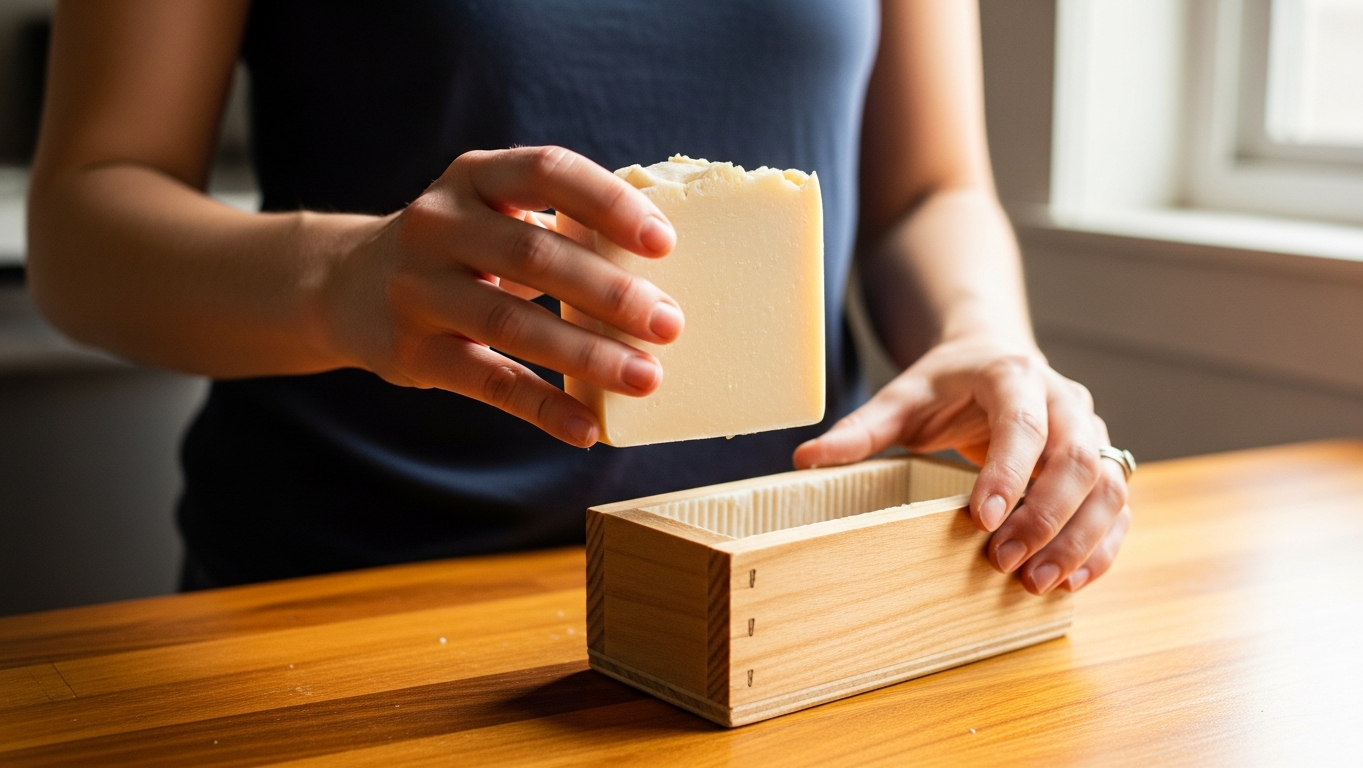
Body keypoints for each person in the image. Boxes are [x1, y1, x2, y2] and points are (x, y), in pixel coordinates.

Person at [27, 0, 1130, 596]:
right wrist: (340, 278)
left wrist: (983, 332)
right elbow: (82, 221)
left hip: (771, 588)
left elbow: (927, 192)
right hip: (365, 596)